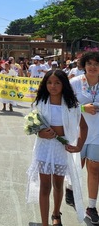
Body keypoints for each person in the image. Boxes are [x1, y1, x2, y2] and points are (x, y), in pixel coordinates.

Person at [26, 69, 88, 226]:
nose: (53, 86)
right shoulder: (40, 103)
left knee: (58, 185)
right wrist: (40, 133)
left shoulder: (72, 105)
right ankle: (44, 222)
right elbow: (33, 124)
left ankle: (56, 213)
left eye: (57, 82)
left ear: (64, 84)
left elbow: (84, 126)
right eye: (49, 82)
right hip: (44, 149)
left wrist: (79, 145)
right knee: (45, 186)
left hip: (62, 149)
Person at [69, 51, 99, 224]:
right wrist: (82, 109)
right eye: (90, 63)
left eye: (96, 64)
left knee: (94, 169)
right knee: (76, 165)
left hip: (97, 133)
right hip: (78, 131)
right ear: (84, 65)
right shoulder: (74, 83)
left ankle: (92, 206)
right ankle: (70, 188)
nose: (93, 67)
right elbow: (66, 105)